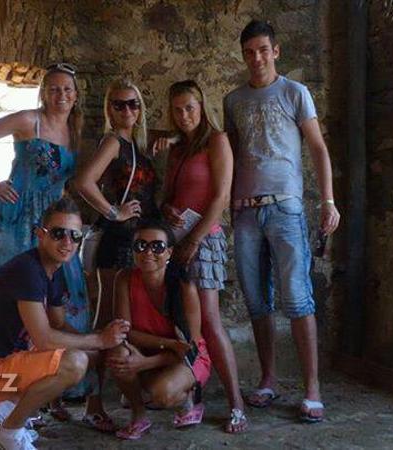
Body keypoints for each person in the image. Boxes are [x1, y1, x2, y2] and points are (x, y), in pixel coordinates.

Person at [0, 63, 101, 425]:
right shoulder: (27, 120)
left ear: (76, 95)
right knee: (18, 307)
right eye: (53, 88)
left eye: (67, 89)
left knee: (66, 300)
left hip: (55, 225)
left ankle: (54, 389)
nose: (61, 95)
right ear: (43, 93)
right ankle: (15, 394)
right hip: (16, 218)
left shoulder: (73, 130)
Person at [223, 20, 341, 422]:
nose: (256, 58)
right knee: (256, 300)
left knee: (297, 298)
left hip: (285, 208)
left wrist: (328, 201)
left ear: (276, 51)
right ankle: (268, 379)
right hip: (245, 211)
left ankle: (312, 389)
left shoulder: (295, 93)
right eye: (249, 52)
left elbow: (318, 148)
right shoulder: (233, 100)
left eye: (263, 50)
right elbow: (229, 155)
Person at [0, 198, 130, 450]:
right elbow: (44, 339)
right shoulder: (27, 271)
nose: (67, 242)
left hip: (8, 363)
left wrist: (103, 344)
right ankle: (9, 431)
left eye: (75, 236)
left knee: (86, 355)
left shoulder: (53, 270)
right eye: (58, 233)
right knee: (74, 362)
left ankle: (10, 406)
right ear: (41, 234)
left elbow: (58, 323)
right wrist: (99, 340)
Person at [157, 80, 247, 433]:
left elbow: (220, 197)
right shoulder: (178, 149)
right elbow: (167, 196)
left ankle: (236, 403)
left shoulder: (217, 141)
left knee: (209, 319)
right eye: (178, 110)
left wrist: (194, 240)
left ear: (202, 107)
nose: (184, 115)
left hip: (205, 238)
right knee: (182, 322)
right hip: (176, 238)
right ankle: (192, 397)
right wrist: (167, 209)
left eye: (190, 108)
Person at [107, 220, 212, 440]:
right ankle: (138, 414)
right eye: (141, 245)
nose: (148, 252)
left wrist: (144, 363)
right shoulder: (124, 279)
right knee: (117, 353)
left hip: (187, 359)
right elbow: (125, 332)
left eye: (157, 246)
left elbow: (189, 348)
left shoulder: (184, 287)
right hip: (149, 351)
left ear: (169, 252)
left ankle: (188, 399)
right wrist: (167, 345)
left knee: (163, 394)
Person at [74, 79, 160, 327]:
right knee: (109, 312)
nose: (127, 110)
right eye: (119, 105)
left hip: (136, 237)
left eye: (133, 104)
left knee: (127, 311)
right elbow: (84, 182)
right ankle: (95, 354)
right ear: (109, 110)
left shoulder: (136, 145)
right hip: (117, 237)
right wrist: (114, 212)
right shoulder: (113, 142)